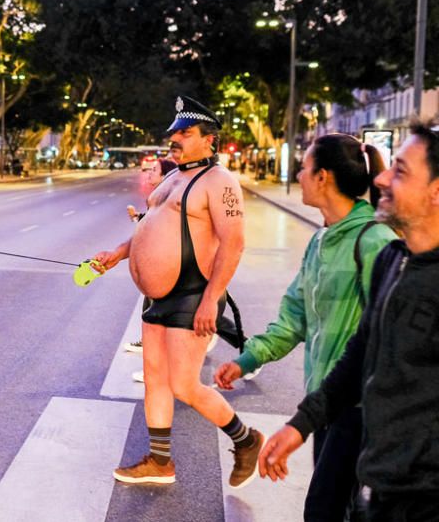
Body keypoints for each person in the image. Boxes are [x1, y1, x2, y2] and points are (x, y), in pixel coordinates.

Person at [259, 121, 439, 521]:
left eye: (401, 170)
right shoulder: (395, 260)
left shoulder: (382, 248)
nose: (382, 177)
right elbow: (361, 352)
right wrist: (300, 424)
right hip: (381, 487)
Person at [214, 134, 395, 521]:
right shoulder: (320, 241)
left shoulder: (375, 241)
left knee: (323, 509)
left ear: (323, 177)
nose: (298, 173)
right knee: (343, 510)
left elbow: (384, 337)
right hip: (324, 402)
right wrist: (247, 359)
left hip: (359, 406)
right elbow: (294, 317)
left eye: (305, 167)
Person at [93, 96, 262, 488]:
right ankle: (159, 461)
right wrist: (117, 254)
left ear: (210, 140)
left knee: (184, 384)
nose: (176, 139)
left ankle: (246, 439)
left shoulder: (220, 182)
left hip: (193, 292)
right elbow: (147, 227)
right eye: (174, 132)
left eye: (185, 133)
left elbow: (233, 244)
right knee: (155, 378)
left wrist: (209, 301)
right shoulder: (172, 178)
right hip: (159, 296)